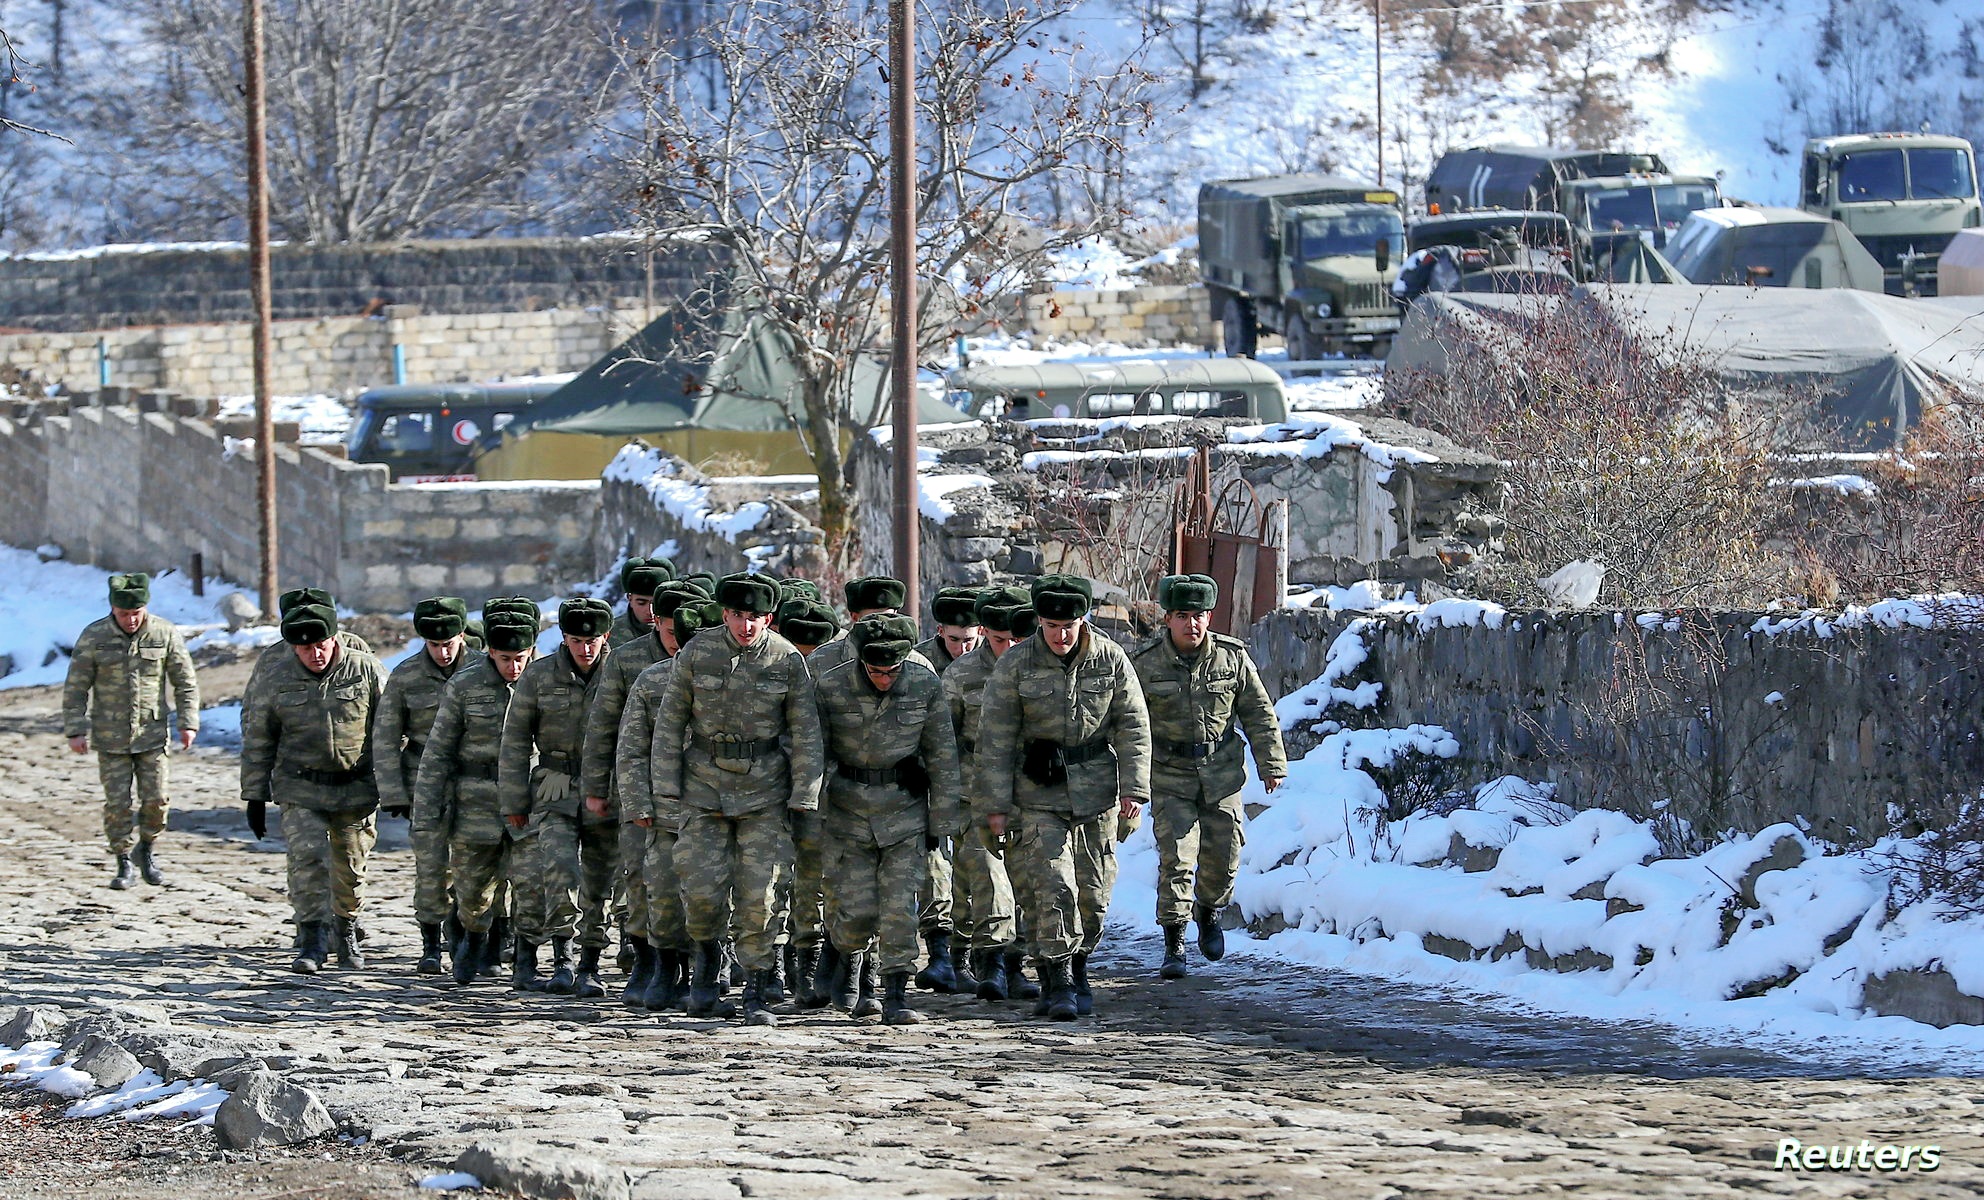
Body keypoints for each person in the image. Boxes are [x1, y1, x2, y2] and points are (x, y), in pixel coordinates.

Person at [652, 571, 824, 1026]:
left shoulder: (786, 659)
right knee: (701, 889)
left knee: (761, 894)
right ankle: (706, 977)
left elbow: (805, 730)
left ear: (769, 617)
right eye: (736, 615)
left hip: (764, 791)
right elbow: (670, 722)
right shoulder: (697, 652)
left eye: (754, 617)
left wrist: (805, 793)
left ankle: (756, 988)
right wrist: (665, 787)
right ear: (724, 614)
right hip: (703, 788)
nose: (745, 626)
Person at [977, 574, 1151, 1020]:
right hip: (1037, 793)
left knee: (1093, 893)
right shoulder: (1015, 665)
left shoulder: (1110, 659)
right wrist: (995, 806)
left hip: (1096, 791)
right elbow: (995, 738)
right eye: (1052, 626)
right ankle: (1057, 979)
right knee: (1052, 886)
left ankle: (1079, 965)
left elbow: (1133, 725)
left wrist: (1134, 789)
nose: (1061, 635)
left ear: (1083, 620)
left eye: (1069, 625)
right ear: (1039, 621)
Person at [1132, 575, 1287, 978]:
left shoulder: (1231, 658)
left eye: (1198, 615)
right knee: (1177, 859)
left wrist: (1271, 764)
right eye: (1182, 616)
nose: (1192, 624)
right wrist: (1128, 779)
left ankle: (1209, 909)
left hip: (1221, 774)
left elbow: (1259, 713)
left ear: (1209, 617)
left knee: (1225, 855)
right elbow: (1128, 723)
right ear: (1168, 619)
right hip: (1169, 775)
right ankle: (1174, 942)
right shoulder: (1144, 664)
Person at [810, 614, 961, 1024]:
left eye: (891, 671)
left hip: (903, 808)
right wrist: (810, 808)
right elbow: (814, 751)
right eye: (876, 671)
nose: (884, 679)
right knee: (855, 911)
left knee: (899, 908)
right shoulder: (831, 687)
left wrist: (942, 820)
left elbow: (942, 754)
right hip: (848, 812)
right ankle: (844, 954)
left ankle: (895, 992)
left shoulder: (924, 685)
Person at [240, 602, 387, 974]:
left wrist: (394, 785)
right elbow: (259, 738)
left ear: (335, 638)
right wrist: (255, 794)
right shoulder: (276, 677)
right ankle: (312, 939)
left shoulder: (365, 669)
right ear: (293, 647)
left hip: (355, 787)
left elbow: (390, 727)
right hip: (300, 786)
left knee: (350, 866)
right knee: (307, 861)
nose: (315, 654)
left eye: (321, 645)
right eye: (305, 648)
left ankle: (346, 930)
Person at [580, 573, 693, 1005]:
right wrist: (597, 787)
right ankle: (646, 957)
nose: (677, 639)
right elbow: (603, 727)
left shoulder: (708, 660)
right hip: (637, 785)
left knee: (694, 880)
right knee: (640, 877)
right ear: (657, 622)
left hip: (698, 789)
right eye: (671, 629)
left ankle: (693, 964)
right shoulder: (628, 661)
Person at [413, 606, 541, 986]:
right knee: (473, 888)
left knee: (531, 885)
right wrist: (426, 809)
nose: (514, 667)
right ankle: (472, 937)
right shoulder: (465, 686)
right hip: (476, 802)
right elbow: (438, 751)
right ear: (491, 652)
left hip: (531, 799)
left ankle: (526, 958)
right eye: (505, 659)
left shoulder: (544, 682)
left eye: (520, 658)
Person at [499, 597, 616, 996]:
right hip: (554, 782)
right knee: (559, 869)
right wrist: (514, 802)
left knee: (600, 878)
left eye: (593, 640)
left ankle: (590, 963)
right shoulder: (538, 675)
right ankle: (562, 957)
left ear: (606, 637)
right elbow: (515, 741)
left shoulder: (620, 673)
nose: (586, 648)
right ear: (564, 637)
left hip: (606, 786)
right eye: (577, 640)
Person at [62, 572, 200, 890]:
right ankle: (122, 859)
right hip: (110, 736)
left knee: (157, 800)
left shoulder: (164, 633)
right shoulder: (94, 636)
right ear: (113, 609)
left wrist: (188, 722)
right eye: (124, 614)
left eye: (136, 613)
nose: (131, 620)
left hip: (152, 734)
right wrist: (75, 729)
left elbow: (185, 681)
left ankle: (146, 848)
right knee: (118, 804)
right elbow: (76, 686)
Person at [615, 594, 721, 1010]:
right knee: (659, 890)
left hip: (715, 807)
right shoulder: (652, 681)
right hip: (664, 808)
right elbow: (631, 749)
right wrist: (638, 803)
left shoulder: (732, 682)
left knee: (708, 894)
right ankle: (663, 967)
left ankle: (708, 970)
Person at [372, 596, 472, 973]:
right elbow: (385, 737)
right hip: (423, 782)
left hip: (475, 783)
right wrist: (393, 793)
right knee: (431, 867)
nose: (443, 652)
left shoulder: (482, 669)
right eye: (434, 644)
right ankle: (431, 942)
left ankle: (467, 936)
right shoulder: (406, 676)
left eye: (449, 643)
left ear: (462, 636)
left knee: (473, 866)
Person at [940, 586, 1030, 1000]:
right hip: (973, 795)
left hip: (1029, 793)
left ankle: (1016, 963)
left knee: (1026, 882)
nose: (1007, 648)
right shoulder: (961, 675)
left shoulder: (1039, 669)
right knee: (988, 879)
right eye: (998, 639)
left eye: (1015, 639)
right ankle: (992, 962)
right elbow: (942, 739)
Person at [907, 586, 985, 993]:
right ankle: (938, 953)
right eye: (955, 639)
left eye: (970, 639)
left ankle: (966, 955)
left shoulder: (994, 663)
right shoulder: (918, 664)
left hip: (976, 783)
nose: (963, 648)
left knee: (973, 869)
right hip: (927, 780)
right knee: (934, 866)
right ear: (939, 631)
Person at [610, 556, 674, 648]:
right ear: (629, 598)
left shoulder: (681, 631)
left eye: (655, 603)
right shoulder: (611, 634)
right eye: (641, 603)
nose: (650, 611)